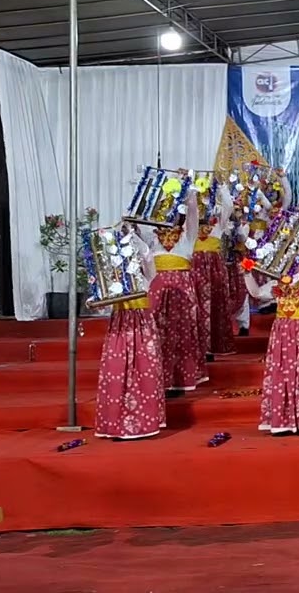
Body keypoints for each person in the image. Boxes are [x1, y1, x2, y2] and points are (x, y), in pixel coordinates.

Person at [244, 225, 299, 436]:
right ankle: (282, 420)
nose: (293, 262)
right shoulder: (276, 284)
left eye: (296, 258)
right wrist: (247, 272)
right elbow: (256, 292)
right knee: (282, 372)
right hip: (282, 334)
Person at [94, 228, 165, 441]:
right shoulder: (114, 283)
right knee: (116, 370)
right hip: (120, 327)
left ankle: (145, 422)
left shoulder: (145, 277)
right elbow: (102, 304)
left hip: (142, 327)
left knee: (145, 370)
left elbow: (148, 256)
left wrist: (130, 235)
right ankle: (115, 423)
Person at [142, 185, 205, 396]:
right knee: (156, 334)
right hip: (157, 291)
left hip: (180, 293)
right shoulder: (152, 238)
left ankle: (178, 380)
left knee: (181, 334)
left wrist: (190, 193)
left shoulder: (187, 237)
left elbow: (194, 214)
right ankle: (157, 378)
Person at [192, 183, 235, 362]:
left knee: (215, 305)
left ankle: (212, 347)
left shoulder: (218, 224)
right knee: (197, 307)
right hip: (195, 269)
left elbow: (229, 206)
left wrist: (222, 187)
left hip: (214, 269)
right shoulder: (190, 225)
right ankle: (198, 347)